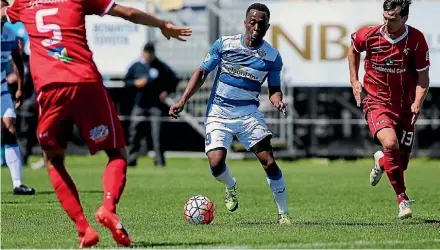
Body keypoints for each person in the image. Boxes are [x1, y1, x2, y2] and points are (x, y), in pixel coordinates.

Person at [1, 0, 191, 247]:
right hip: (85, 83)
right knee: (116, 152)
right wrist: (162, 24)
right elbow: (129, 12)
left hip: (50, 89)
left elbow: (3, 14)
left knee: (54, 160)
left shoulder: (25, 4)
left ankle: (84, 229)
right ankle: (108, 208)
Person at [169, 3, 291, 224]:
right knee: (216, 165)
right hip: (219, 112)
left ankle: (283, 213)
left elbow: (274, 90)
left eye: (261, 24)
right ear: (245, 22)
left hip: (248, 114)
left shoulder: (272, 57)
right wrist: (183, 99)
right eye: (252, 22)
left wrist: (278, 101)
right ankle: (230, 184)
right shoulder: (224, 45)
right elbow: (202, 72)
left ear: (267, 27)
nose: (256, 27)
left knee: (269, 162)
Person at [348, 0, 430, 219]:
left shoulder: (416, 40)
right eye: (384, 17)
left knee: (400, 163)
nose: (386, 22)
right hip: (376, 101)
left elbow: (423, 79)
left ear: (404, 18)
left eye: (392, 19)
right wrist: (355, 81)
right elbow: (354, 49)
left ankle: (381, 161)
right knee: (390, 142)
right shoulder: (369, 35)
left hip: (405, 106)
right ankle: (402, 199)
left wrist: (417, 102)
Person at [125, 42, 179, 167]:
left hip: (156, 106)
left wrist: (167, 91)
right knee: (134, 133)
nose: (148, 55)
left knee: (158, 135)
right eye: (147, 52)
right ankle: (131, 160)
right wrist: (135, 83)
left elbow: (174, 80)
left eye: (151, 53)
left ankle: (159, 161)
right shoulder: (136, 66)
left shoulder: (160, 66)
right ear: (143, 53)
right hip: (140, 105)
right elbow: (126, 82)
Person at [1, 0, 35, 195]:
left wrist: (20, 87)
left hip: (2, 88)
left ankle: (17, 183)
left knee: (10, 128)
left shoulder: (10, 34)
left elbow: (18, 61)